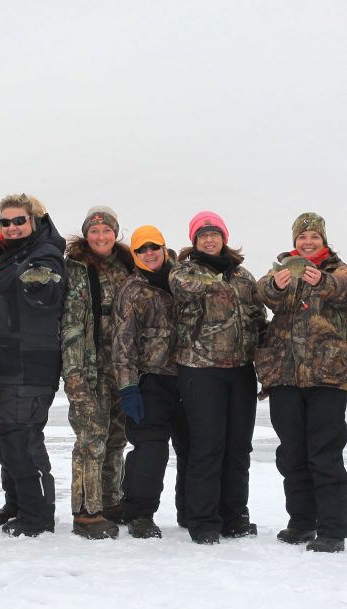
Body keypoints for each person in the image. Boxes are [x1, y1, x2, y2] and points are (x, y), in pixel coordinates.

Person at [255, 212, 347, 553]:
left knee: (325, 453)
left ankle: (332, 530)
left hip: (326, 378)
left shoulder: (339, 270)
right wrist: (275, 285)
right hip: (285, 378)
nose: (308, 242)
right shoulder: (283, 269)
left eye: (314, 237)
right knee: (292, 454)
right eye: (303, 237)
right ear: (295, 241)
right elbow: (262, 293)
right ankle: (301, 522)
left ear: (323, 240)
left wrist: (322, 283)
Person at [170, 211, 267, 545]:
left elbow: (257, 317)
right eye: (202, 235)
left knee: (238, 447)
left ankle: (235, 515)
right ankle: (203, 519)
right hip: (200, 370)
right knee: (207, 446)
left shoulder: (242, 276)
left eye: (214, 234)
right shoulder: (184, 271)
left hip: (240, 371)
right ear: (194, 241)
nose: (209, 239)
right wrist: (213, 281)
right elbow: (184, 289)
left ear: (224, 237)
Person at [0, 194, 66, 537]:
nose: (11, 228)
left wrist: (40, 282)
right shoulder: (3, 257)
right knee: (0, 438)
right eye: (5, 222)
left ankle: (38, 514)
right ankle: (16, 502)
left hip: (28, 365)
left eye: (19, 221)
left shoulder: (43, 254)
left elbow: (47, 286)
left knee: (22, 440)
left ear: (34, 222)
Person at [61, 206, 134, 539]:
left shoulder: (128, 266)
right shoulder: (74, 268)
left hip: (123, 367)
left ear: (115, 233)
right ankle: (87, 511)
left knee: (116, 439)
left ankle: (110, 500)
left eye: (107, 230)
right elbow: (71, 324)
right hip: (88, 366)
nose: (101, 236)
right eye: (95, 231)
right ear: (86, 234)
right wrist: (73, 372)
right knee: (90, 439)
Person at [112, 226, 188, 539]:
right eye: (141, 249)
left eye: (153, 247)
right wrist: (128, 387)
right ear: (135, 254)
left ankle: (193, 510)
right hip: (150, 381)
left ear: (163, 247)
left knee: (194, 449)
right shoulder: (132, 289)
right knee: (151, 450)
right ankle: (139, 512)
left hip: (189, 377)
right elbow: (122, 343)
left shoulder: (182, 280)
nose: (149, 253)